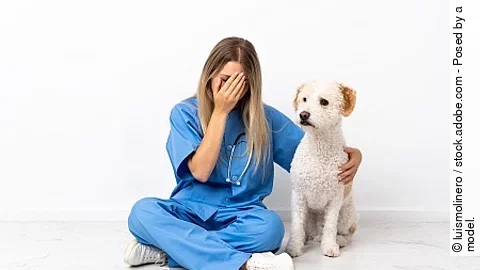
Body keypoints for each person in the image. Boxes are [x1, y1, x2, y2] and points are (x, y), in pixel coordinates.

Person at [123, 37, 362, 270]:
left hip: (243, 217)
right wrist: (220, 112)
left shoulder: (266, 119)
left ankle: (169, 250)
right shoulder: (184, 113)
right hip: (189, 211)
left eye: (241, 83)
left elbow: (309, 156)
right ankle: (243, 263)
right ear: (209, 76)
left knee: (270, 230)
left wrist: (355, 156)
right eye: (225, 80)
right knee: (142, 212)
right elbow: (201, 171)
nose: (231, 90)